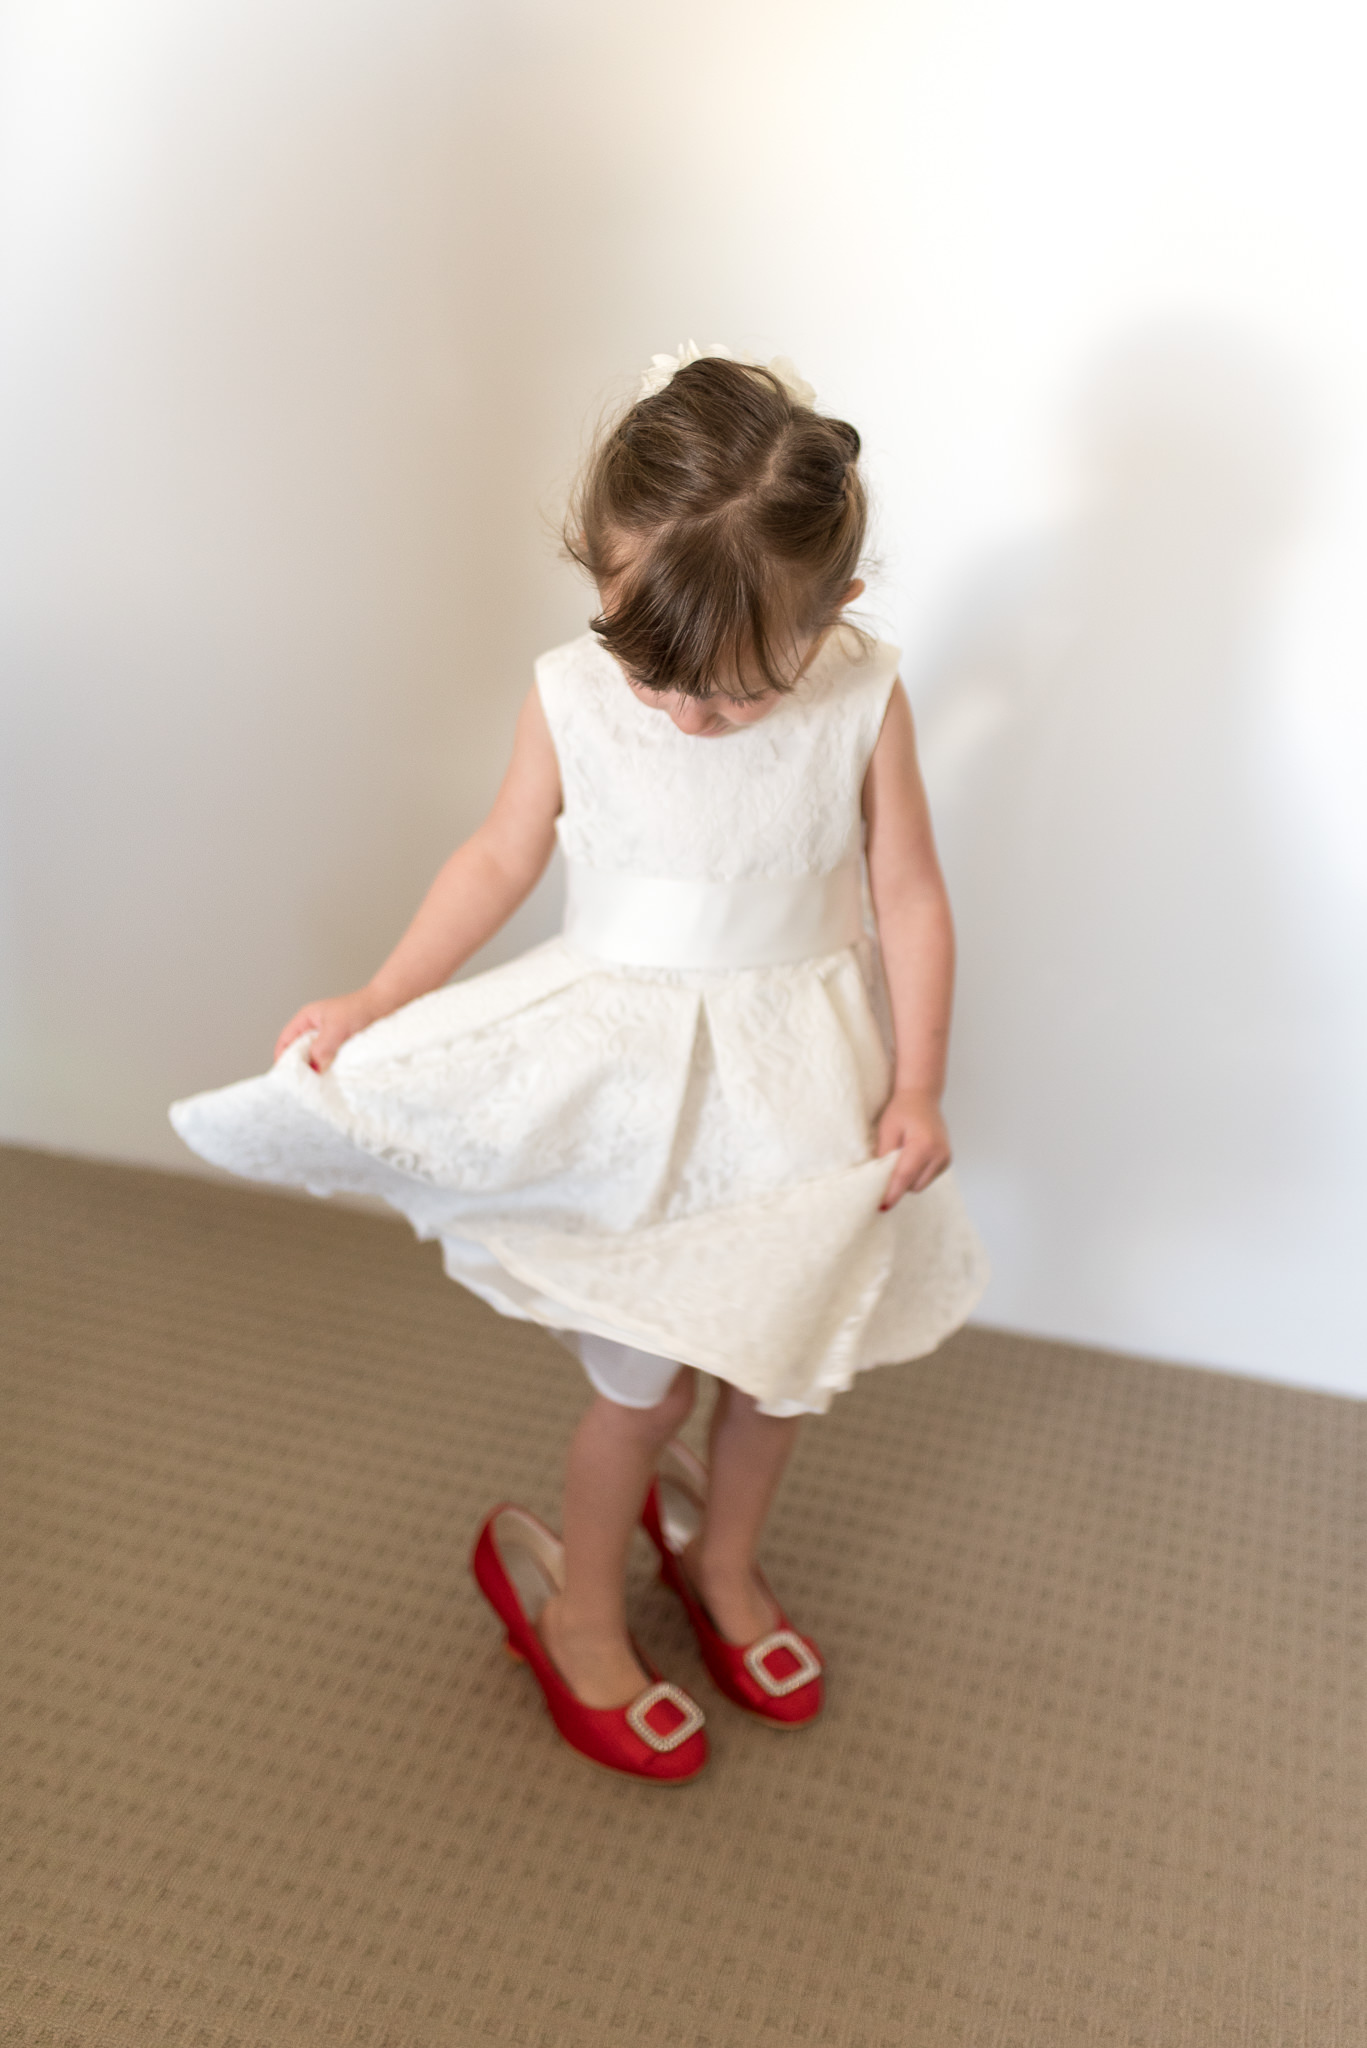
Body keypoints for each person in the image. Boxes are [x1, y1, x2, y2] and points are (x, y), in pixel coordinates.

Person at [171, 343, 988, 1786]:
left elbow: (909, 894)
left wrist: (916, 1080)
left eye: (732, 697)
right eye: (651, 672)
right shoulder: (571, 691)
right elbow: (497, 855)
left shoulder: (864, 695)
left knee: (779, 1368)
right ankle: (580, 1601)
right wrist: (380, 993)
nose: (683, 717)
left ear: (835, 611)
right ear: (598, 582)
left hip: (807, 1085)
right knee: (644, 1387)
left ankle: (721, 1563)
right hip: (630, 1093)